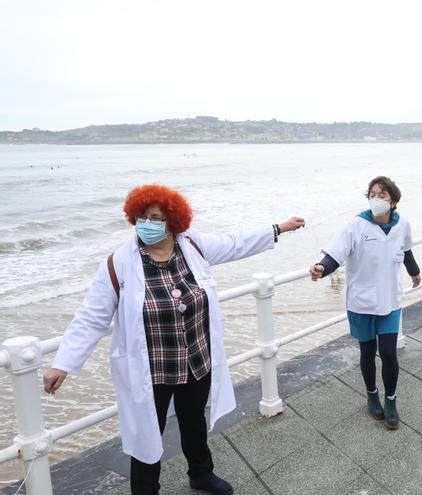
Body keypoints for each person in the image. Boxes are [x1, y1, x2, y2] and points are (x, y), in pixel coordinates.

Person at [44, 185, 305, 495]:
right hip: (151, 370)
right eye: (141, 217)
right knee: (146, 432)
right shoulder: (119, 264)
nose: (147, 224)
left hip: (196, 359)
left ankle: (201, 473)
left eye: (155, 218)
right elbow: (92, 316)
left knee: (193, 420)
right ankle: (145, 490)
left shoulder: (192, 245)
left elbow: (235, 244)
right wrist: (64, 363)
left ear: (173, 221)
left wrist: (278, 228)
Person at [310, 176, 421, 430]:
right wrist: (321, 268)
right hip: (361, 302)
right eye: (372, 194)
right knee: (368, 352)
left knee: (390, 353)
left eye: (382, 195)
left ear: (393, 200)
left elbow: (406, 251)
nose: (376, 199)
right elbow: (335, 254)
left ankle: (391, 401)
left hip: (390, 300)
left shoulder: (402, 224)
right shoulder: (356, 226)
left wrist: (414, 272)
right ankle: (372, 395)